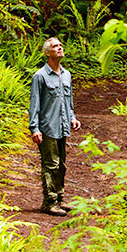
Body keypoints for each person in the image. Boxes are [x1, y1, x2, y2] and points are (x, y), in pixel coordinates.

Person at [28, 36, 79, 215]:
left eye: (60, 45)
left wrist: (72, 117)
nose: (60, 48)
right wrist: (34, 128)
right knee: (51, 164)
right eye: (55, 46)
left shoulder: (67, 75)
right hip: (47, 127)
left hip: (63, 126)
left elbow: (69, 101)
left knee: (62, 164)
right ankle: (49, 202)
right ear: (47, 53)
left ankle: (60, 197)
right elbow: (34, 104)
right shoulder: (40, 77)